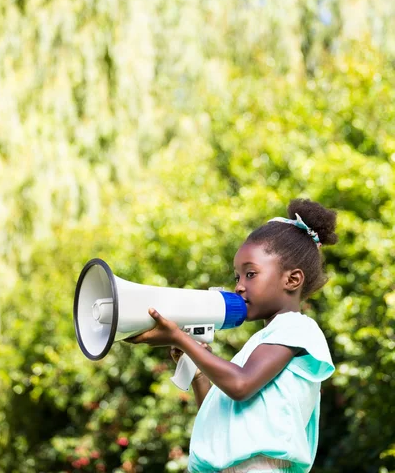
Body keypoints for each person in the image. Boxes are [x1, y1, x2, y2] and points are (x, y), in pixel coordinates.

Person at [125, 198, 337, 473]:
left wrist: (180, 337)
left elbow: (240, 385)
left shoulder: (296, 329)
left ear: (292, 280)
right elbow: (221, 419)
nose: (239, 286)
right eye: (237, 277)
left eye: (250, 274)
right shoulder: (259, 344)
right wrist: (198, 368)